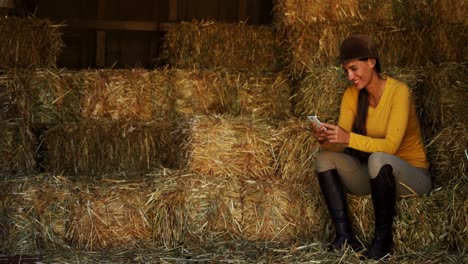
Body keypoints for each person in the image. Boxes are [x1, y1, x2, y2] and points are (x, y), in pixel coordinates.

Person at [311, 33, 432, 260]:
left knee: (378, 157)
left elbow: (391, 146)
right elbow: (341, 144)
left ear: (372, 62)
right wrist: (327, 138)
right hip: (377, 177)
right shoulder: (351, 96)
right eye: (346, 71)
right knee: (325, 158)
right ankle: (345, 237)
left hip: (412, 176)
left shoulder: (399, 93)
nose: (350, 76)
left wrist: (347, 138)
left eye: (354, 69)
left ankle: (382, 243)